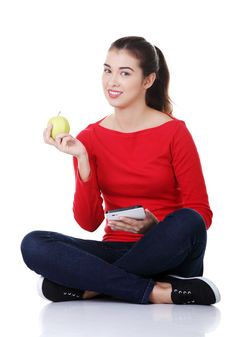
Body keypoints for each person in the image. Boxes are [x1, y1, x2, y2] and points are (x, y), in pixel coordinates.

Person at [21, 36, 220, 305]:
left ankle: (91, 287)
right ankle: (155, 291)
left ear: (147, 80)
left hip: (168, 252)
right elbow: (89, 222)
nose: (112, 82)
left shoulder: (175, 132)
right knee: (33, 243)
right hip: (116, 250)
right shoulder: (88, 138)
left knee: (190, 220)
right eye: (107, 70)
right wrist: (82, 159)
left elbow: (202, 214)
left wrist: (155, 229)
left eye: (124, 73)